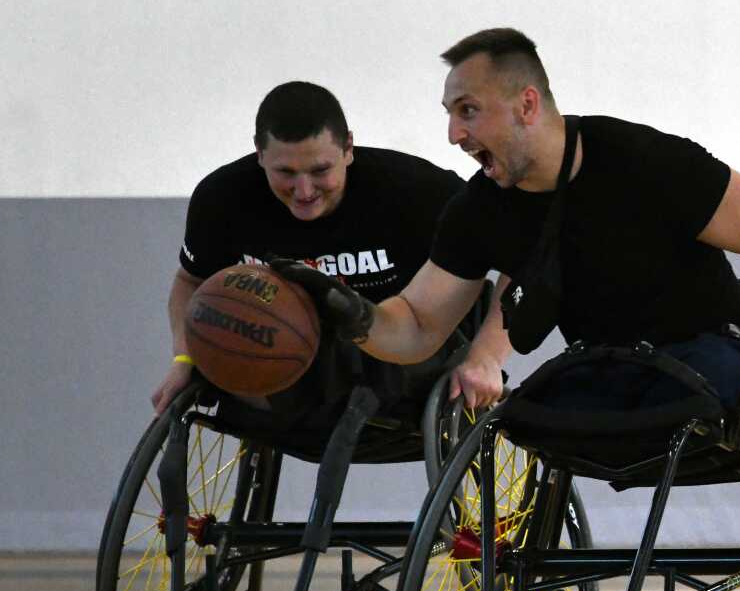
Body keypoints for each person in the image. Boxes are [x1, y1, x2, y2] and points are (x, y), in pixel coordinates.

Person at [273, 30, 740, 437]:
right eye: (449, 114)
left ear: (526, 105)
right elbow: (417, 325)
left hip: (708, 357)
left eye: (468, 112)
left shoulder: (645, 160)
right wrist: (355, 315)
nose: (453, 134)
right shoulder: (479, 208)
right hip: (604, 369)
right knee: (520, 420)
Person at [151, 81, 511, 423]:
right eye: (286, 172)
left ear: (348, 148)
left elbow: (521, 261)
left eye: (320, 170)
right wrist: (184, 357)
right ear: (260, 155)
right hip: (298, 364)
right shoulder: (222, 197)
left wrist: (487, 357)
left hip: (409, 351)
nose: (304, 190)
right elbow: (189, 281)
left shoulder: (419, 191)